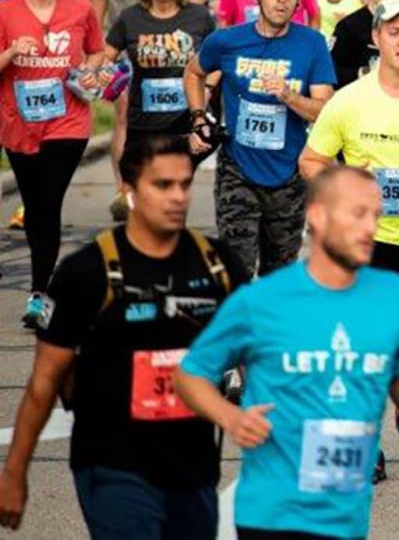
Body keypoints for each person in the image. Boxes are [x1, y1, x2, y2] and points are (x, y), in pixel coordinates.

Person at [174, 165, 399, 540]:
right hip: (271, 512)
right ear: (317, 216)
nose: (370, 227)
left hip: (346, 514)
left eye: (375, 216)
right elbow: (191, 374)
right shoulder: (264, 300)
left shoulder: (391, 295)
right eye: (357, 214)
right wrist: (231, 418)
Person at [0, 133, 246, 538]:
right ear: (128, 189)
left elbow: (257, 353)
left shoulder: (218, 264)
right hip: (113, 464)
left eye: (185, 184)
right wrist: (14, 471)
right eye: (162, 185)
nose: (177, 197)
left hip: (193, 466)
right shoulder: (85, 271)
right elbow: (44, 382)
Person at [301, 0, 399, 477]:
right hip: (369, 245)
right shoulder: (350, 99)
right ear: (376, 38)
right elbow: (311, 161)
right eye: (394, 33)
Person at [185, 0, 335, 279]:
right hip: (238, 168)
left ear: (298, 2)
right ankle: (239, 328)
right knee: (236, 268)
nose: (281, 0)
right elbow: (193, 72)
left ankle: (269, 329)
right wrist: (199, 117)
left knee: (277, 275)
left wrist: (289, 96)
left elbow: (325, 110)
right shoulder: (227, 41)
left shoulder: (312, 44)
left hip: (289, 174)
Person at [0, 0, 107, 326]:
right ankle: (44, 285)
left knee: (47, 200)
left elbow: (96, 51)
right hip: (18, 123)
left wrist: (91, 71)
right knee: (36, 207)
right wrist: (12, 53)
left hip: (69, 121)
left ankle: (39, 294)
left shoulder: (80, 8)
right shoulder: (5, 11)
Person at [106, 0, 215, 144]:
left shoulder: (199, 16)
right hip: (143, 124)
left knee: (177, 175)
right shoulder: (130, 18)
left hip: (186, 123)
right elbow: (105, 59)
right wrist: (109, 79)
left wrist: (207, 88)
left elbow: (219, 59)